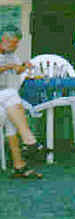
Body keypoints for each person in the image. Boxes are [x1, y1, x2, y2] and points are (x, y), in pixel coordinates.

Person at [0, 25, 44, 178]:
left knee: (9, 113)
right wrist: (10, 66)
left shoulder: (10, 53)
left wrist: (24, 66)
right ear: (3, 40)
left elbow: (17, 69)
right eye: (13, 43)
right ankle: (30, 140)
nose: (16, 46)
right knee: (11, 95)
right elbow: (10, 67)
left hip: (2, 98)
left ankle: (19, 166)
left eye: (17, 43)